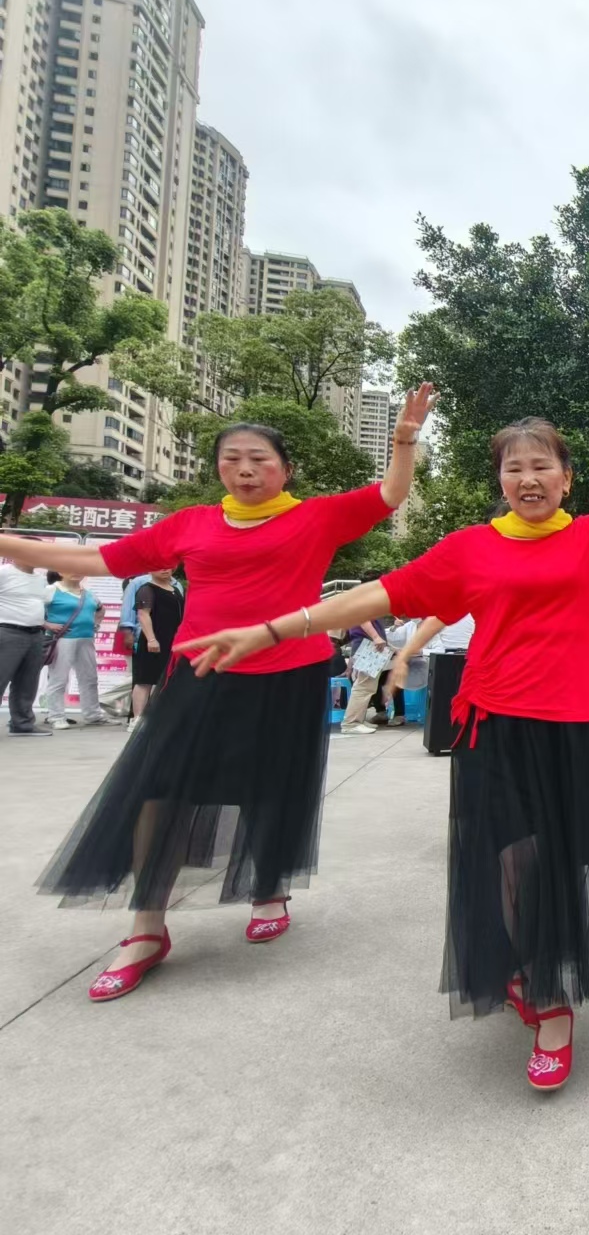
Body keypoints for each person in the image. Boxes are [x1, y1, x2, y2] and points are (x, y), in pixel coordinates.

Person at [181, 399, 589, 1090]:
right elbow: (381, 593)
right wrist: (277, 628)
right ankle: (550, 997)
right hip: (495, 723)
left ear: (566, 478)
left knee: (569, 856)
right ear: (500, 479)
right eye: (513, 467)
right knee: (513, 860)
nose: (527, 477)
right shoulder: (470, 547)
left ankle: (546, 965)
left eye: (541, 465)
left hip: (578, 726)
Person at [5, 385, 433, 1002]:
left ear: (285, 468)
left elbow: (390, 496)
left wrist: (402, 441)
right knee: (158, 791)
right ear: (217, 468)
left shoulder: (314, 515)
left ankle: (268, 887)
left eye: (259, 457)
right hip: (201, 677)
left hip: (290, 676)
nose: (245, 468)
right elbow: (97, 558)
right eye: (231, 457)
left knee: (273, 787)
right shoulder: (191, 524)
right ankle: (146, 928)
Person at [40, 571, 107, 729]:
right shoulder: (51, 590)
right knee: (59, 678)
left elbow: (100, 609)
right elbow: (31, 609)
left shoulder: (88, 593)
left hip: (86, 638)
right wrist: (47, 624)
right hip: (63, 639)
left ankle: (93, 715)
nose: (76, 572)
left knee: (89, 678)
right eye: (70, 569)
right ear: (60, 572)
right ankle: (56, 716)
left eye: (79, 569)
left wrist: (96, 625)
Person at [0, 559, 52, 736]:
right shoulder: (4, 572)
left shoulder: (40, 579)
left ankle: (22, 724)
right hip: (8, 632)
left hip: (36, 634)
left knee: (27, 681)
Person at [128, 569, 184, 729]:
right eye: (160, 566)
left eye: (168, 566)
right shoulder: (147, 588)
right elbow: (143, 615)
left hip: (173, 640)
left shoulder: (176, 588)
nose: (165, 569)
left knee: (168, 679)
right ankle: (137, 718)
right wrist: (151, 639)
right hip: (152, 640)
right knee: (144, 680)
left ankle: (161, 717)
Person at [341, 615, 395, 735]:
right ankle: (351, 723)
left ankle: (357, 720)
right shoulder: (364, 602)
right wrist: (376, 637)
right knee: (363, 687)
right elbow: (362, 617)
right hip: (369, 646)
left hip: (369, 646)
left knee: (366, 687)